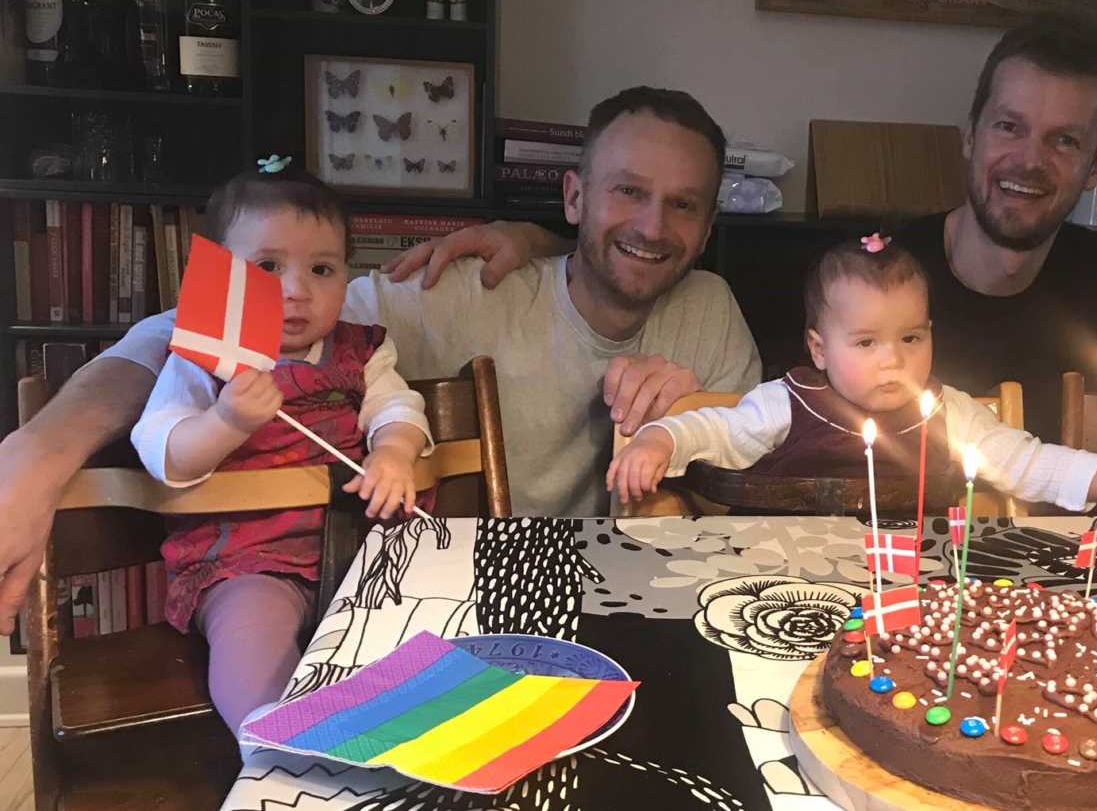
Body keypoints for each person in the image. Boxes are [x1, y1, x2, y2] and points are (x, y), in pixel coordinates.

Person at [382, 14, 1097, 522]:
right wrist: (542, 248)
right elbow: (718, 384)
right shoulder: (845, 267)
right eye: (1010, 126)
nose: (1029, 158)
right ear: (968, 137)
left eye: (1065, 142)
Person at [0, 86, 760, 637]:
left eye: (683, 204)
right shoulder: (461, 293)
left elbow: (753, 502)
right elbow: (178, 333)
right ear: (573, 197)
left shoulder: (712, 307)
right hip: (472, 612)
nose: (653, 225)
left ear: (708, 223)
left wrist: (699, 418)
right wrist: (35, 454)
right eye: (628, 191)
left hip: (643, 612)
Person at [609, 235, 1097, 526]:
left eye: (912, 338)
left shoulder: (946, 412)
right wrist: (658, 442)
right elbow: (711, 430)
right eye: (867, 342)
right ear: (819, 349)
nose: (894, 360)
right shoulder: (785, 406)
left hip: (910, 589)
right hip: (782, 581)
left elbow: (1028, 463)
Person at [130, 161, 432, 735]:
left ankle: (405, 738)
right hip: (245, 557)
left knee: (422, 619)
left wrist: (392, 452)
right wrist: (225, 420)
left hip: (361, 544)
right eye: (267, 267)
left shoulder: (363, 354)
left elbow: (399, 409)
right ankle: (275, 743)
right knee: (252, 635)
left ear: (347, 277)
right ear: (218, 278)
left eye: (322, 268)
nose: (296, 290)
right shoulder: (204, 360)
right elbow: (163, 453)